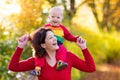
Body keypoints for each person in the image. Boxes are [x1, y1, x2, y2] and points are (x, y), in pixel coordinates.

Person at [8, 28, 96, 80]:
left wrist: (84, 48)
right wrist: (20, 46)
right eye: (50, 38)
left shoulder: (68, 57)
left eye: (54, 36)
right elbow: (13, 67)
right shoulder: (37, 61)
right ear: (43, 45)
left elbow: (90, 68)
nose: (55, 39)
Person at [33, 6, 79, 75]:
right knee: (40, 54)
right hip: (47, 46)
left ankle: (59, 63)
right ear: (49, 18)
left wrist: (76, 39)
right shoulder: (46, 27)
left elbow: (69, 36)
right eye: (53, 17)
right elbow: (38, 35)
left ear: (61, 18)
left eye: (58, 17)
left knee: (63, 50)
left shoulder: (62, 28)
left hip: (58, 45)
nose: (55, 19)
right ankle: (38, 68)